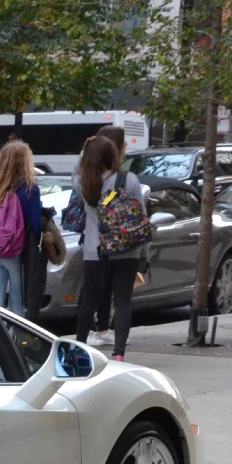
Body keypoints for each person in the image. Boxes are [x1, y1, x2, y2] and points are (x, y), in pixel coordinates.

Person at [73, 135, 148, 361]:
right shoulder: (130, 180)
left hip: (95, 250)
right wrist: (144, 254)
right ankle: (119, 353)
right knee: (123, 301)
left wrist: (85, 148)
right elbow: (141, 217)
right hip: (127, 249)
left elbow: (74, 172)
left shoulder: (85, 183)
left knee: (89, 301)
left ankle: (78, 347)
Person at [0, 141, 42, 315]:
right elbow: (35, 225)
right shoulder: (29, 189)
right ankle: (16, 340)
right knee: (17, 302)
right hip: (15, 251)